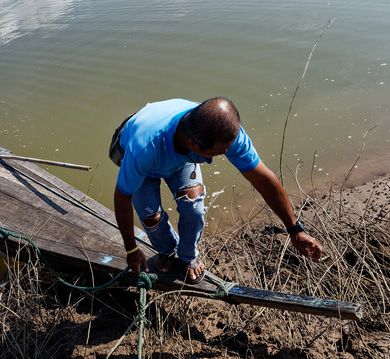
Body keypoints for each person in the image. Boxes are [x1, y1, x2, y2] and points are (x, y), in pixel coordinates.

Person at [110, 97, 322, 283]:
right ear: (193, 144)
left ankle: (187, 255)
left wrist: (295, 229)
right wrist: (131, 249)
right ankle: (166, 250)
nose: (211, 162)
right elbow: (122, 196)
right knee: (151, 218)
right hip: (144, 154)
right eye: (213, 155)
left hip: (181, 156)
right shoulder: (144, 148)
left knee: (194, 208)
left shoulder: (226, 133)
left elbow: (264, 180)